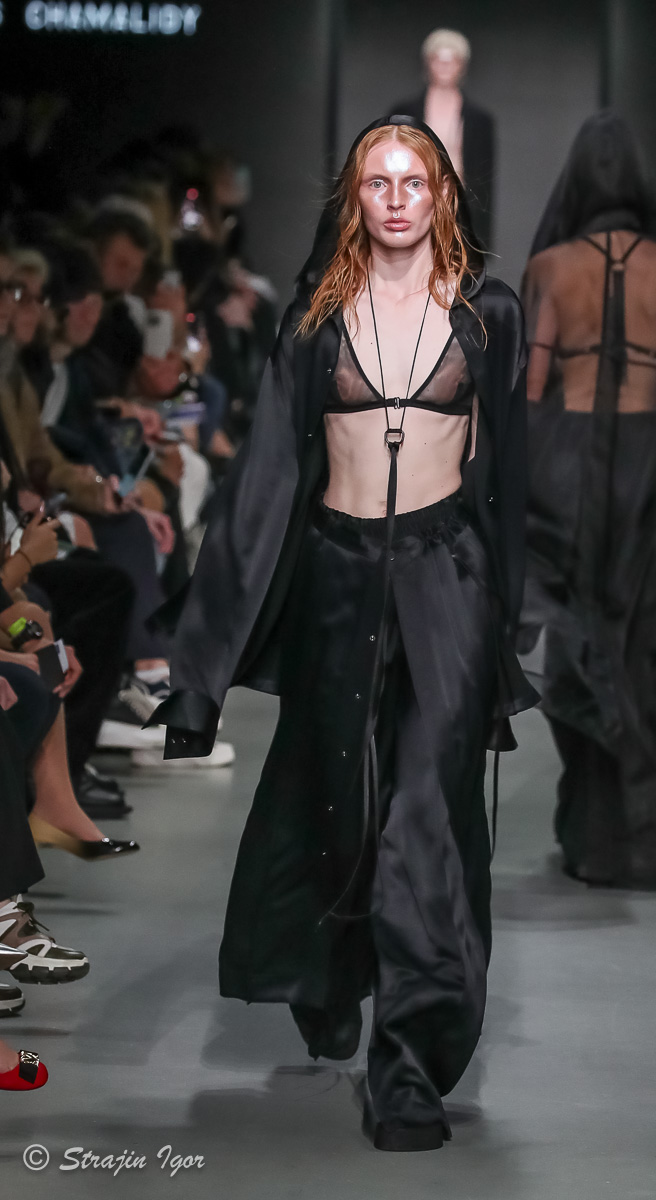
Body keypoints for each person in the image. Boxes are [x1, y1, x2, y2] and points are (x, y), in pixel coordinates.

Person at [150, 115, 536, 1150]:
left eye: (415, 181)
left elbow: (510, 471)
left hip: (448, 580)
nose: (397, 199)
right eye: (378, 182)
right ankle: (328, 975)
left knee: (428, 815)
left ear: (442, 194)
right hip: (336, 575)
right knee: (335, 801)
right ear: (353, 197)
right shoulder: (316, 316)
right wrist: (200, 667)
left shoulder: (489, 311)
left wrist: (518, 620)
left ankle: (408, 1064)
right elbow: (264, 484)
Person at [518, 112, 656, 893]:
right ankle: (647, 836)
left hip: (567, 466)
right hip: (648, 465)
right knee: (644, 646)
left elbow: (531, 387)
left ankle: (594, 837)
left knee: (580, 641)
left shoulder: (550, 265)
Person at [393, 29, 495, 249]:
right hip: (412, 201)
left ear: (463, 65)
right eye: (438, 59)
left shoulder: (480, 120)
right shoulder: (404, 112)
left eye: (452, 60)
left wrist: (481, 235)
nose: (445, 66)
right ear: (427, 63)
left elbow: (485, 179)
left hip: (459, 207)